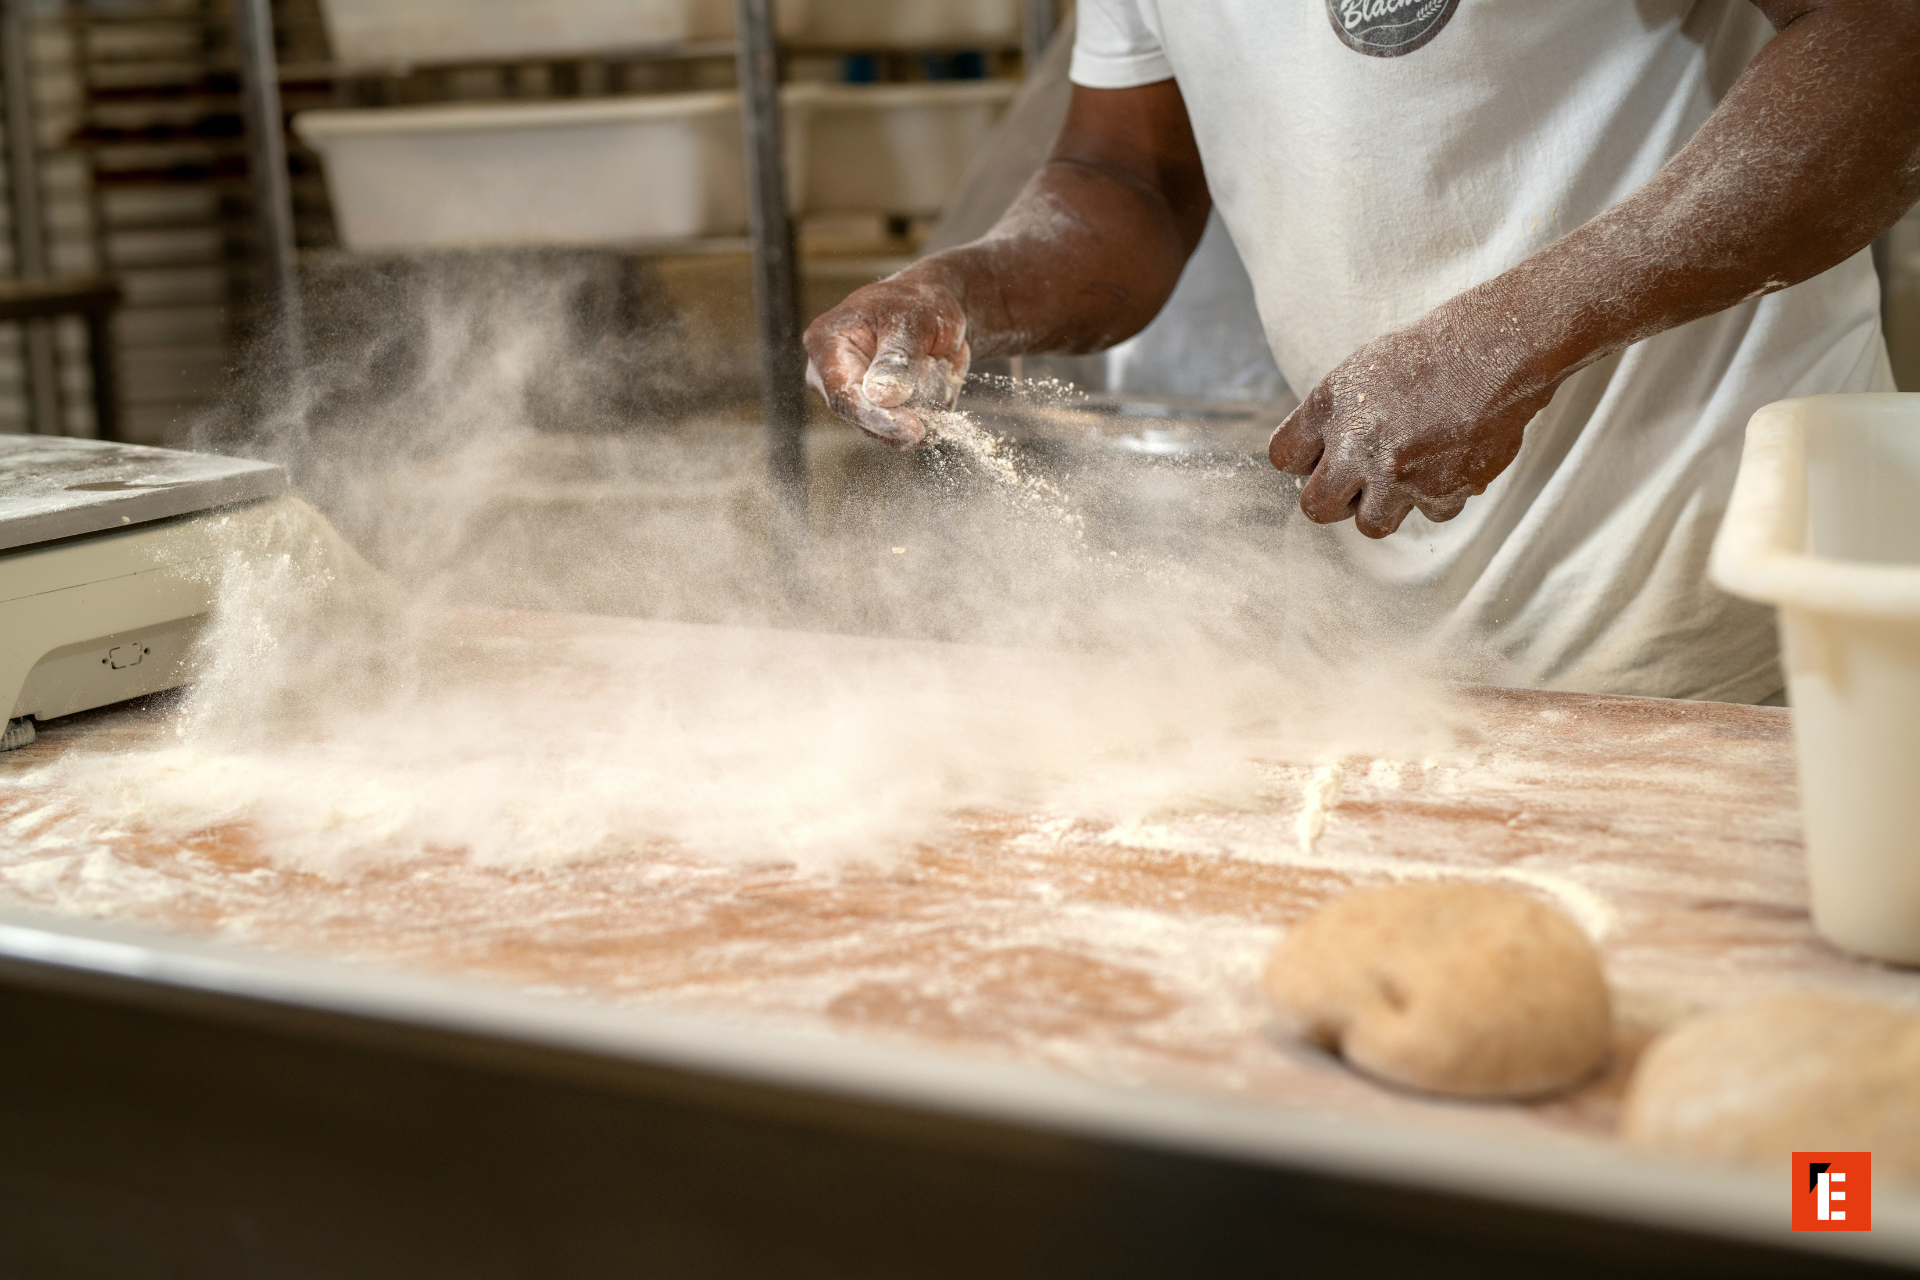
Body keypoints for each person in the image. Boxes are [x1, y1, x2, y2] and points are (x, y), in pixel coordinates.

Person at [801, 1, 1920, 703]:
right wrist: (956, 288)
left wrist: (1515, 335)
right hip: (1391, 660)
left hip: (1720, 624)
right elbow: (1126, 181)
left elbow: (1887, 45)